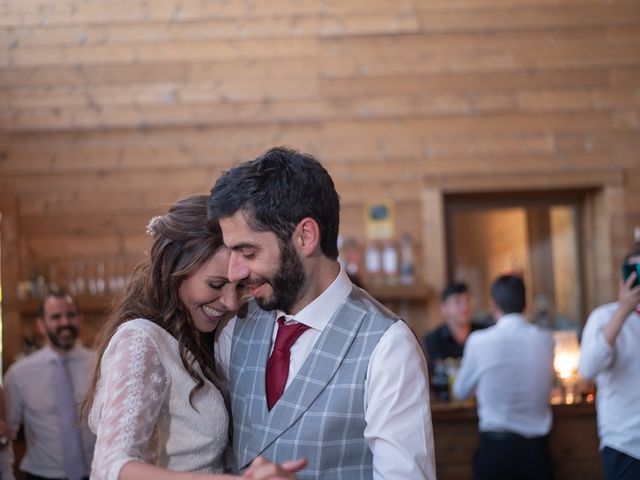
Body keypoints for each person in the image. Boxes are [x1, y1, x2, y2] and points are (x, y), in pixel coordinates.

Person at [209, 146, 436, 479]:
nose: (234, 272)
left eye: (248, 252)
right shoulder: (234, 330)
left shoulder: (389, 347)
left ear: (305, 236)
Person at [83, 195, 304, 480]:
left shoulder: (190, 337)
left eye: (240, 288)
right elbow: (110, 466)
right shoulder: (141, 339)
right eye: (216, 284)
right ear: (172, 268)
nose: (231, 303)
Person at [453, 275, 555, 480]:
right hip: (537, 452)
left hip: (496, 452)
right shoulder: (546, 339)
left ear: (493, 304)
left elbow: (460, 391)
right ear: (525, 305)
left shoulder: (479, 341)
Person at [4, 290, 96, 480]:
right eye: (56, 317)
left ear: (80, 318)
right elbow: (6, 432)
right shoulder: (18, 374)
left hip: (96, 473)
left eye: (71, 315)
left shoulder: (100, 364)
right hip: (41, 475)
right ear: (41, 325)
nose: (65, 322)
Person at [578, 241, 640, 480]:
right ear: (623, 279)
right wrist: (623, 311)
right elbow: (587, 369)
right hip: (624, 442)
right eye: (634, 274)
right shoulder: (603, 317)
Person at [423, 281, 489, 367]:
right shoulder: (433, 339)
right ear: (444, 308)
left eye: (467, 301)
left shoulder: (484, 332)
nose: (465, 307)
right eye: (457, 302)